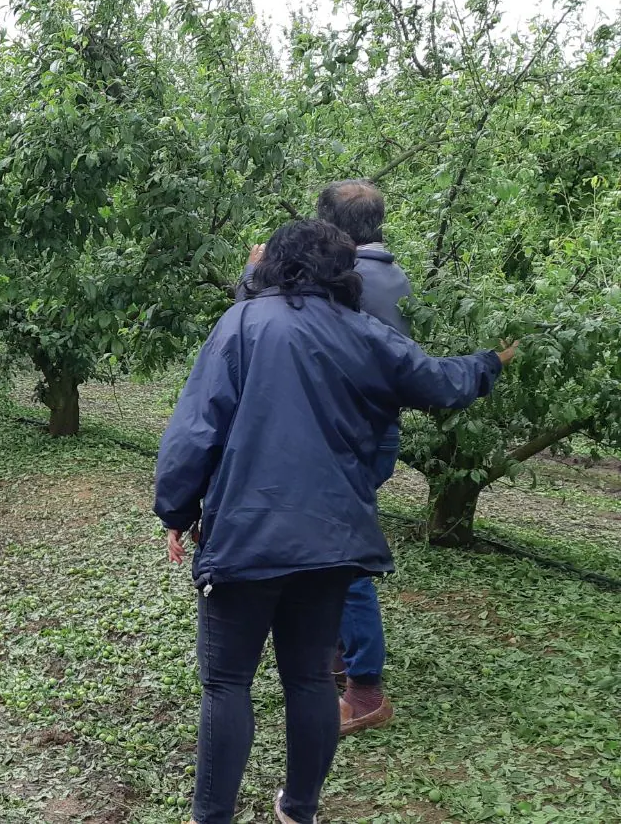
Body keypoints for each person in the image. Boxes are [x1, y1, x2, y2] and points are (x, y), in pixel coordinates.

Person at [157, 219, 514, 824]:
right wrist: (491, 361)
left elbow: (196, 429)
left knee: (226, 684)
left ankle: (211, 817)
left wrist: (178, 509)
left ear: (272, 265)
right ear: (341, 272)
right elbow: (439, 381)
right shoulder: (363, 333)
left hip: (246, 535)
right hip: (331, 541)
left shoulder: (240, 324)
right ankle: (300, 810)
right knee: (311, 679)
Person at [239, 180, 410, 736]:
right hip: (366, 432)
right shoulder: (391, 274)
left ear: (331, 229)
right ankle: (338, 658)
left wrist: (256, 273)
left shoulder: (347, 284)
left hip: (340, 438)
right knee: (329, 548)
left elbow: (257, 323)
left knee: (340, 559)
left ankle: (364, 690)